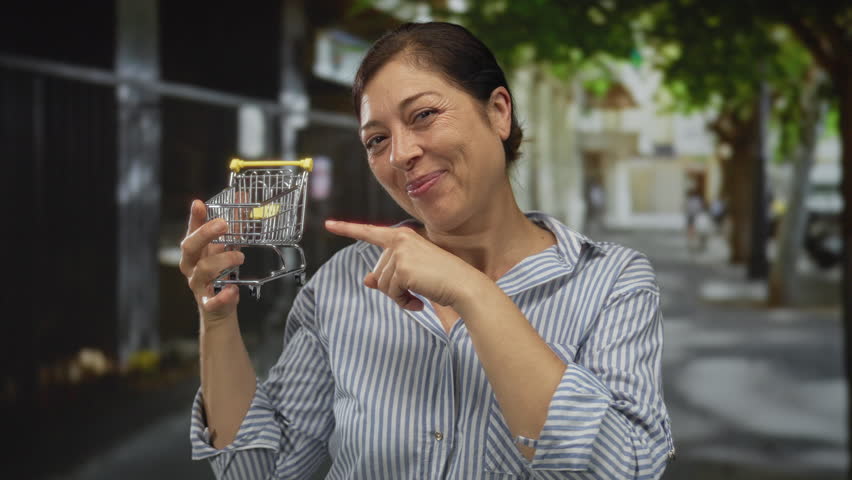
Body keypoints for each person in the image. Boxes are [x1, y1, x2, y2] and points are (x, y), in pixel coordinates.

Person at [182, 22, 673, 479]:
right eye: (377, 140)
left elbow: (625, 468)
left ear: (498, 112)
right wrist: (218, 321)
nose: (401, 154)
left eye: (423, 115)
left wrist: (472, 292)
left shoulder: (610, 281)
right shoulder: (343, 284)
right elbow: (264, 471)